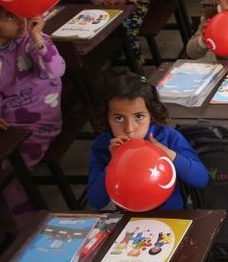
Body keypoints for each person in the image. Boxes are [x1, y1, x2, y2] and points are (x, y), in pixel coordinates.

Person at [0, 0, 65, 243]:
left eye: (18, 12)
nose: (20, 20)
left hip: (41, 122)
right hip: (8, 125)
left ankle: (28, 238)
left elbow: (56, 69)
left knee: (10, 178)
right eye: (9, 17)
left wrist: (38, 36)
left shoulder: (31, 40)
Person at [86, 75, 209, 211]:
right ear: (107, 118)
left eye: (139, 116)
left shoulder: (168, 137)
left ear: (151, 114)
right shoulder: (102, 146)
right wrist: (113, 163)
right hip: (128, 220)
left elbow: (201, 179)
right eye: (119, 118)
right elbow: (96, 201)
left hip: (174, 216)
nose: (129, 129)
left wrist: (169, 155)